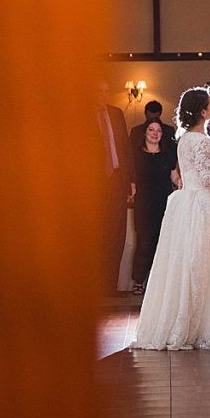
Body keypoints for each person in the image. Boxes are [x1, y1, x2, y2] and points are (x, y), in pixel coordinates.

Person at [132, 88, 210, 350]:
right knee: (205, 263)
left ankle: (190, 319)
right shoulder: (200, 140)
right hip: (204, 203)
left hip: (190, 203)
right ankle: (200, 323)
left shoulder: (185, 138)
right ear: (202, 111)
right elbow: (207, 178)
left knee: (191, 262)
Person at [95, 80, 136, 294]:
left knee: (117, 233)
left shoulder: (116, 113)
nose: (103, 95)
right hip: (94, 183)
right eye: (99, 92)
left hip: (117, 181)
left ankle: (109, 285)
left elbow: (126, 149)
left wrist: (131, 181)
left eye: (106, 91)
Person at [130, 119, 180, 295]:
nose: (155, 133)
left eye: (158, 130)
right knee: (144, 243)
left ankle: (157, 283)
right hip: (144, 204)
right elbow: (132, 180)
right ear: (145, 132)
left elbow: (175, 177)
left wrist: (184, 183)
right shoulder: (135, 154)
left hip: (164, 203)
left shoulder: (167, 154)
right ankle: (139, 281)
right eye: (151, 130)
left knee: (162, 243)